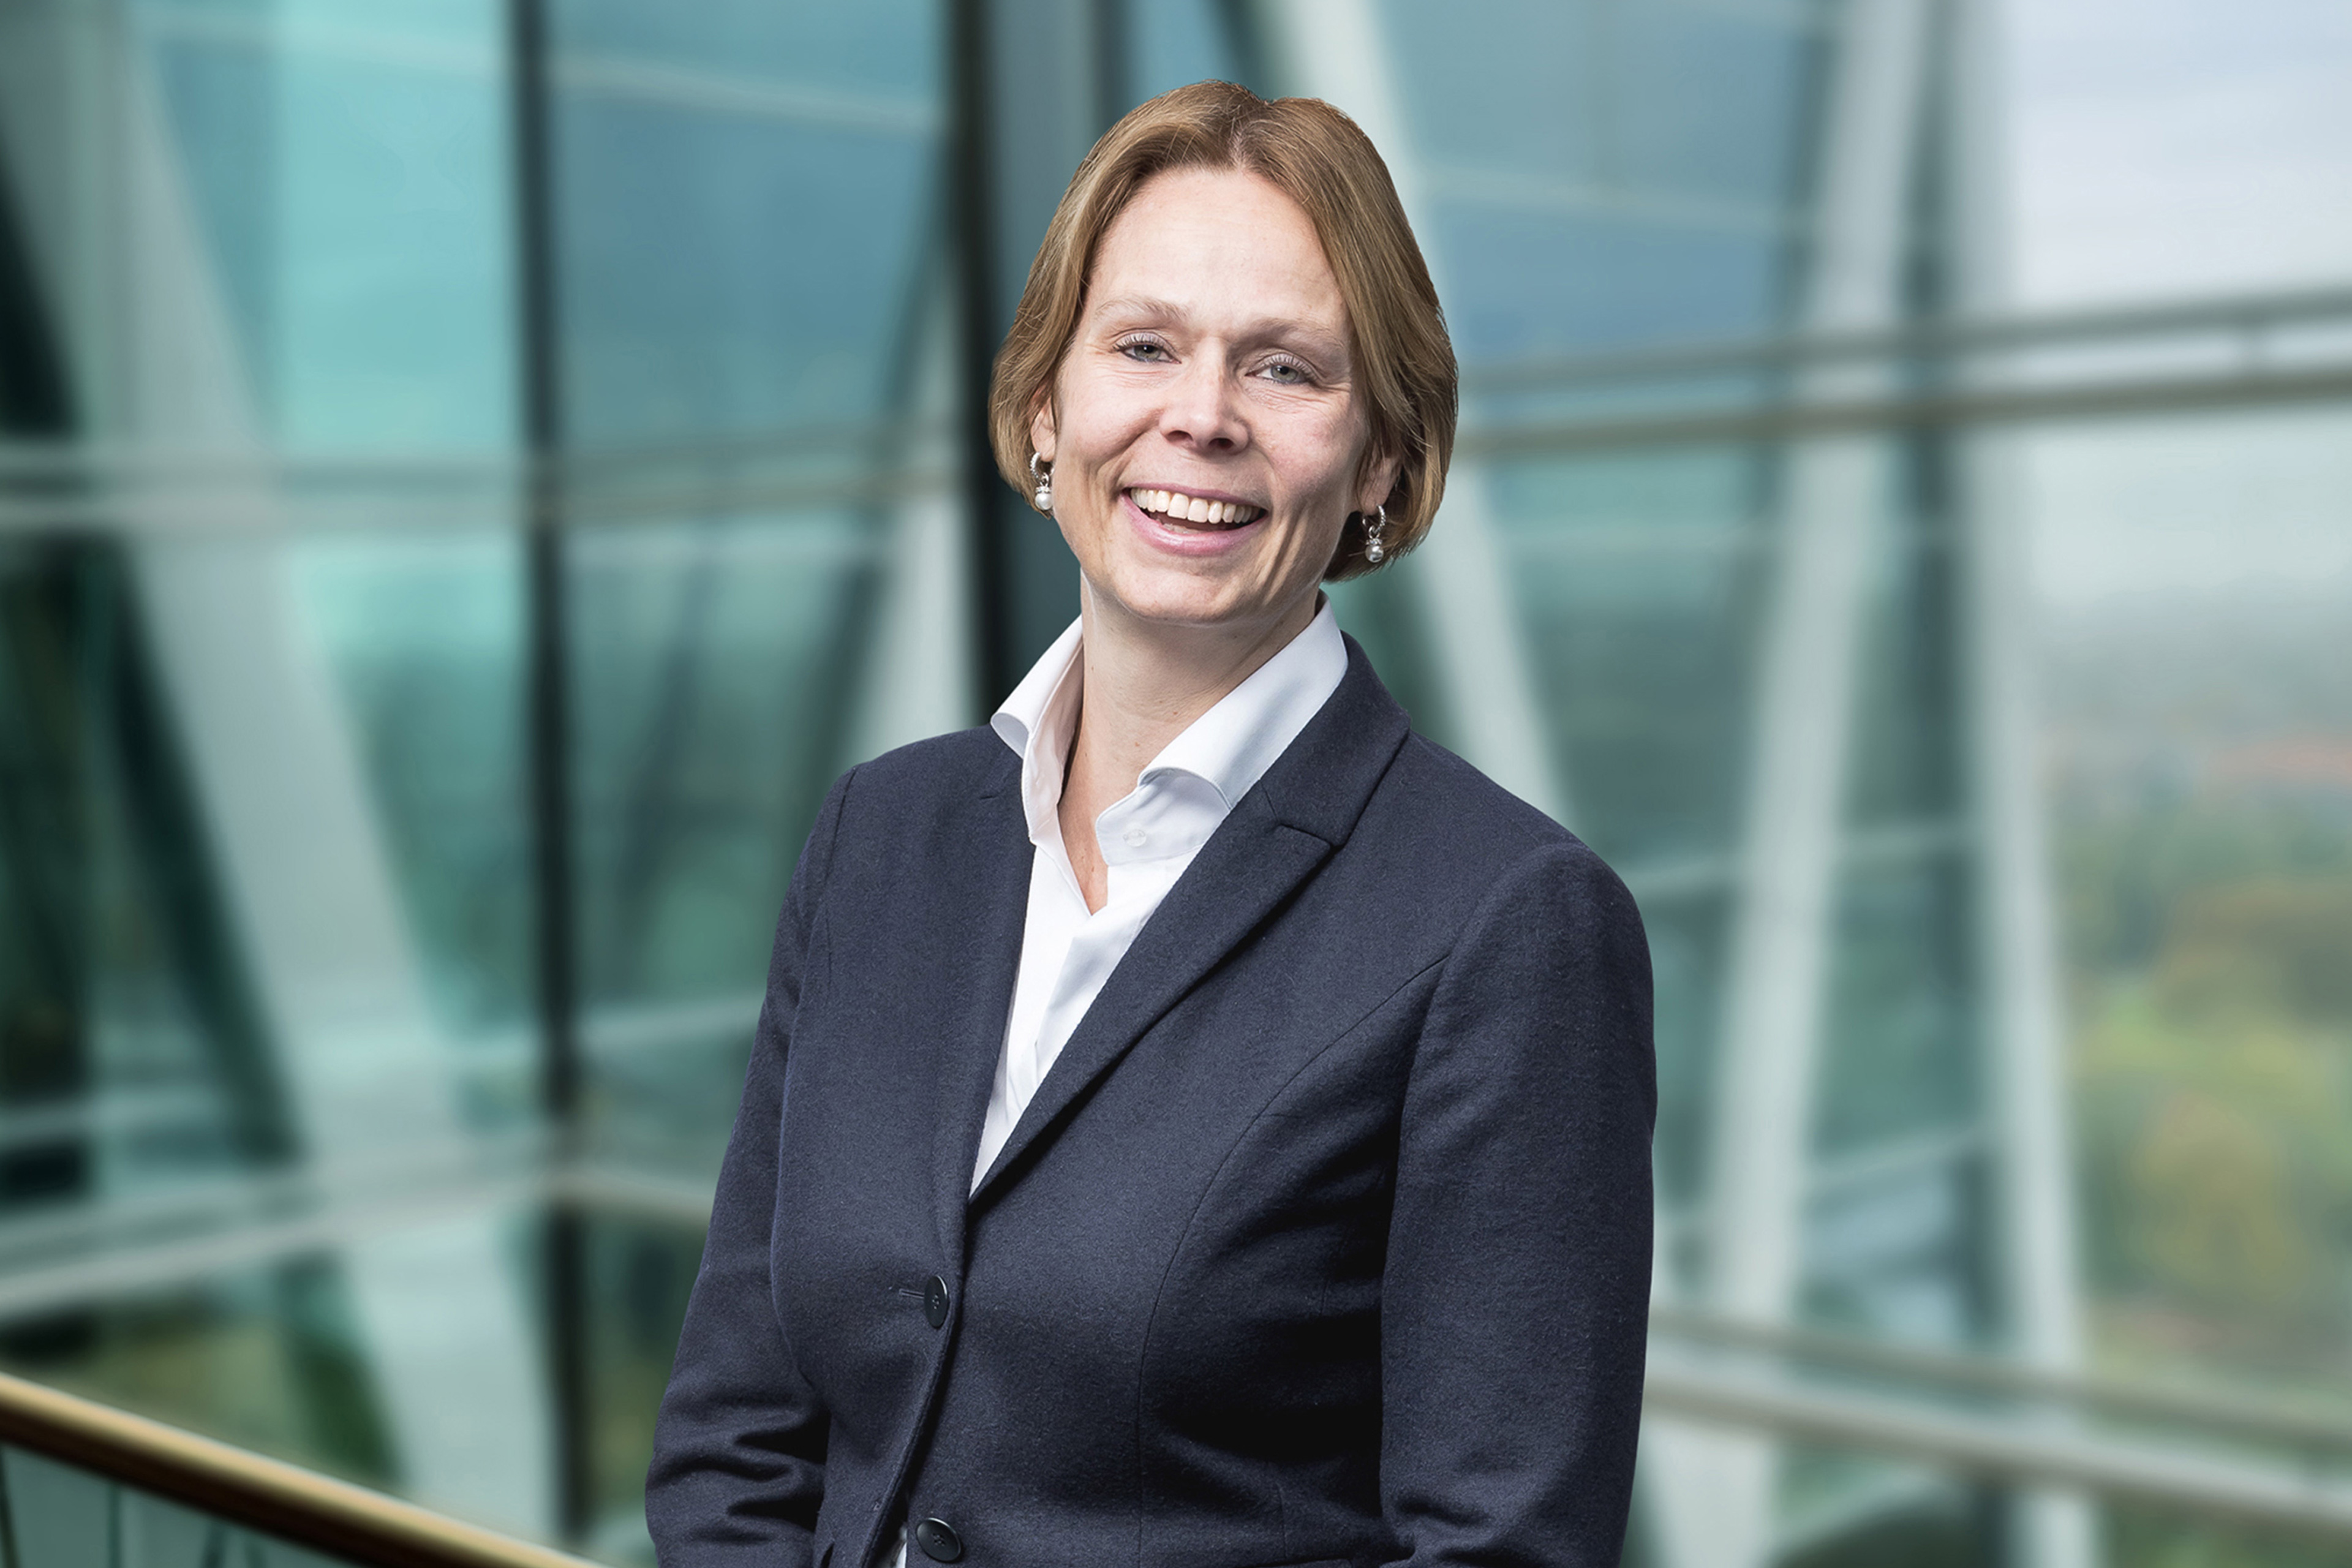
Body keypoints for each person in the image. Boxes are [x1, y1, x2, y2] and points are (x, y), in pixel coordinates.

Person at [647, 81, 1654, 1568]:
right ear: (1046, 406)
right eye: (1143, 346)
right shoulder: (884, 833)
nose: (1203, 415)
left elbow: (1497, 1549)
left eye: (1285, 368)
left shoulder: (1509, 924)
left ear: (1380, 459)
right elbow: (737, 1435)